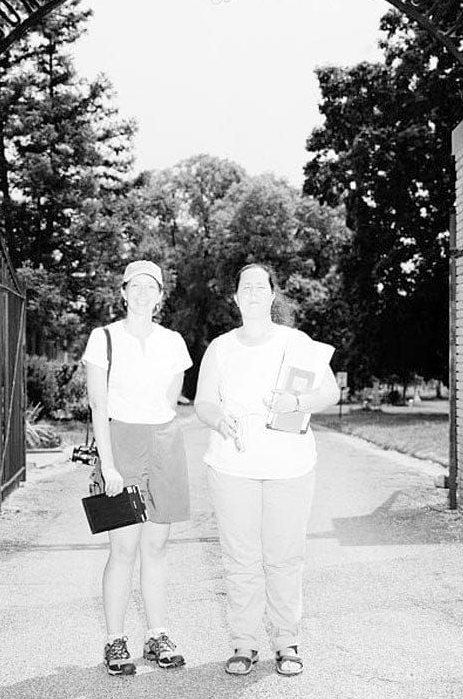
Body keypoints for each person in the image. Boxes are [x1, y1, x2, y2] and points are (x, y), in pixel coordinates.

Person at [194, 262, 340, 678]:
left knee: (284, 558)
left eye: (262, 286)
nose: (254, 293)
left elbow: (329, 390)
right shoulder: (220, 348)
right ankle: (243, 643)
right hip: (231, 466)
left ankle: (286, 641)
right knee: (240, 559)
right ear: (236, 297)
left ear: (272, 296)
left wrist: (296, 404)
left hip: (290, 467)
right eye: (247, 287)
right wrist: (218, 419)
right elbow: (204, 401)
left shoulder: (297, 343)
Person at [83, 260, 192, 676]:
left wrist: (155, 433)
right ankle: (114, 639)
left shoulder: (173, 341)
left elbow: (169, 400)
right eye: (136, 286)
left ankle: (157, 633)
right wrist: (108, 464)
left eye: (152, 286)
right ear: (124, 292)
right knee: (124, 549)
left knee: (156, 548)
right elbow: (99, 404)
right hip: (121, 444)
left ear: (160, 295)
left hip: (164, 443)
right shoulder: (104, 337)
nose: (144, 293)